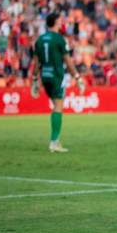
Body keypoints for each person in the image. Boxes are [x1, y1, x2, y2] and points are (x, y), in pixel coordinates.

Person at [30, 12, 85, 153]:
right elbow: (68, 60)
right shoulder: (60, 39)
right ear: (54, 22)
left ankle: (55, 140)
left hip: (44, 76)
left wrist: (35, 80)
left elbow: (36, 62)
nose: (61, 22)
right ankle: (54, 142)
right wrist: (77, 78)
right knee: (59, 106)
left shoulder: (40, 40)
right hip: (57, 76)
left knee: (56, 105)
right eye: (59, 20)